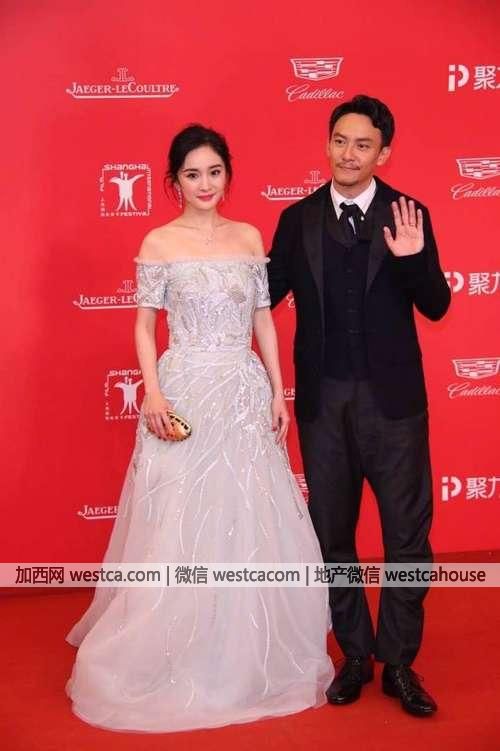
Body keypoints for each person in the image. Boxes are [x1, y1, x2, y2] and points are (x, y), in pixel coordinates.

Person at [65, 124, 333, 733]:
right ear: (174, 180)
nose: (205, 184)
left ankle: (243, 650)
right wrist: (153, 392)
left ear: (227, 175)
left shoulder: (248, 237)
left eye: (214, 172)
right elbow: (144, 325)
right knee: (180, 516)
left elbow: (263, 320)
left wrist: (276, 389)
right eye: (192, 174)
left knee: (248, 512)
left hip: (241, 390)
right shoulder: (159, 242)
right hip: (184, 388)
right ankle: (172, 644)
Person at [267, 95, 450, 717]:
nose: (349, 154)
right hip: (323, 404)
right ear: (327, 144)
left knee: (407, 538)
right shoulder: (297, 220)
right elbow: (262, 296)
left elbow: (437, 305)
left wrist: (412, 261)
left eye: (363, 144)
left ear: (384, 153)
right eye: (340, 141)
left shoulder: (408, 213)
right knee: (332, 535)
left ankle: (398, 662)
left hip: (393, 405)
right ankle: (354, 654)